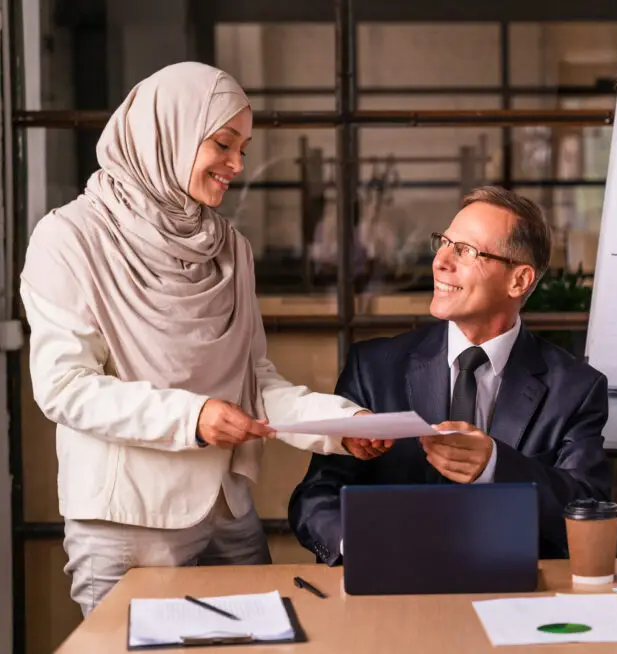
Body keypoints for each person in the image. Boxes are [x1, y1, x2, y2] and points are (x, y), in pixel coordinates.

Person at [20, 62, 381, 617]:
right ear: (170, 133)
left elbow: (253, 379)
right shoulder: (68, 238)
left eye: (245, 147)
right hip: (126, 524)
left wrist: (341, 425)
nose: (237, 165)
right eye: (223, 143)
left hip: (227, 509)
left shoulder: (228, 246)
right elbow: (65, 387)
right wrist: (192, 418)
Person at [288, 186, 612, 563]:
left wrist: (495, 465)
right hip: (394, 590)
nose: (441, 261)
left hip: (517, 592)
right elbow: (316, 495)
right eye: (443, 243)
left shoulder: (575, 388)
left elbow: (590, 513)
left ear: (519, 281)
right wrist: (355, 543)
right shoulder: (374, 368)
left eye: (466, 251)